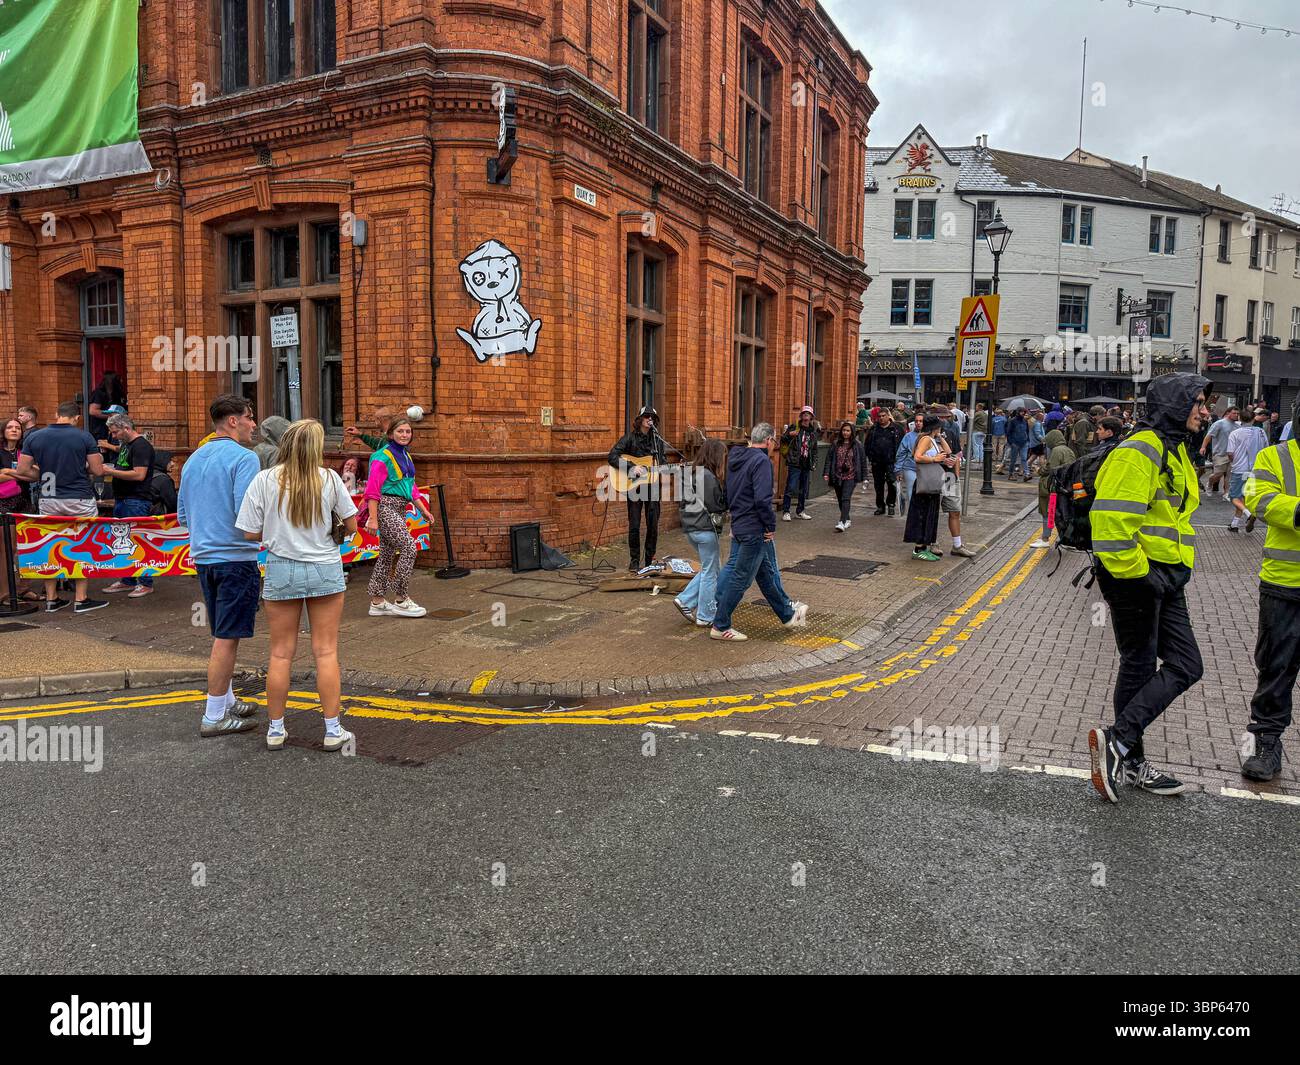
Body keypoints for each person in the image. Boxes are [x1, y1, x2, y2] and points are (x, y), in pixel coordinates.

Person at [1087, 373, 1209, 803]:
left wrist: (1169, 574)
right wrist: (1144, 574)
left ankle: (1119, 744)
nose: (1204, 410)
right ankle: (1128, 756)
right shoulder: (1140, 450)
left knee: (1185, 665)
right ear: (1176, 404)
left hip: (1164, 577)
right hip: (1134, 575)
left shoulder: (1173, 451)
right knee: (1139, 663)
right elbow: (1110, 526)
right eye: (1197, 402)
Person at [236, 419, 358, 752]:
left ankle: (275, 730)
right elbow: (352, 524)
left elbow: (247, 532)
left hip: (281, 568)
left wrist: (276, 533)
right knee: (326, 651)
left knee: (279, 653)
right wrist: (335, 532)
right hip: (325, 569)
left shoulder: (264, 480)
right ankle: (333, 730)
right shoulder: (330, 479)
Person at [178, 394, 263, 737]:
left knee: (220, 633)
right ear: (233, 421)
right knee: (227, 637)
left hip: (205, 558)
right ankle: (214, 715)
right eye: (249, 417)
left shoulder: (193, 459)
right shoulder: (245, 459)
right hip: (236, 559)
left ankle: (226, 701)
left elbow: (184, 515)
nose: (253, 424)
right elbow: (248, 516)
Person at [1240, 397, 1300, 781]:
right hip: (1285, 584)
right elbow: (1256, 497)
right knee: (1276, 669)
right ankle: (1266, 742)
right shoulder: (1275, 456)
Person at [709, 423, 808, 642]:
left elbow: (728, 491)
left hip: (740, 524)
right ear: (769, 440)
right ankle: (720, 624)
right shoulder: (762, 461)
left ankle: (788, 615)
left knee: (762, 574)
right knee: (741, 578)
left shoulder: (735, 458)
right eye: (774, 442)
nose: (774, 446)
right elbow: (763, 499)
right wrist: (770, 527)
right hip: (755, 528)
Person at [11, 401, 108, 614]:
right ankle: (81, 599)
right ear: (76, 418)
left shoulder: (35, 437)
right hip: (79, 497)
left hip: (49, 497)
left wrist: (44, 472)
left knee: (50, 546)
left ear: (56, 415)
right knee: (83, 545)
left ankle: (52, 599)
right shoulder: (84, 437)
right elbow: (98, 470)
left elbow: (22, 470)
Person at [365, 414, 435, 617]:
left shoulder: (405, 455)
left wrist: (423, 509)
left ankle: (377, 602)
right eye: (400, 431)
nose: (405, 435)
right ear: (390, 434)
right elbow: (372, 491)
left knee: (386, 555)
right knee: (409, 547)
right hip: (385, 506)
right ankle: (401, 598)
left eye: (408, 431)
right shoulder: (381, 456)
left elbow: (410, 487)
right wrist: (373, 518)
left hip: (399, 507)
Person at [99, 414, 158, 598]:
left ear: (126, 428)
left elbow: (139, 474)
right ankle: (128, 579)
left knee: (138, 540)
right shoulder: (126, 445)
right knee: (123, 542)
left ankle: (145, 582)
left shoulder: (141, 446)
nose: (113, 435)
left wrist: (111, 471)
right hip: (123, 498)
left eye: (115, 432)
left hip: (137, 499)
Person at [673, 438, 728, 629]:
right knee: (710, 573)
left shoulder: (689, 473)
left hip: (690, 528)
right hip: (705, 529)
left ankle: (685, 601)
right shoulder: (707, 476)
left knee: (710, 568)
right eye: (722, 456)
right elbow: (716, 505)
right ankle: (705, 615)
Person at [608, 406, 667, 570]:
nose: (650, 419)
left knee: (653, 525)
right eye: (646, 416)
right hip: (634, 488)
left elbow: (662, 461)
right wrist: (631, 467)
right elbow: (612, 456)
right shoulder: (629, 439)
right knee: (634, 525)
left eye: (652, 417)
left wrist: (669, 467)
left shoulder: (657, 440)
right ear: (640, 419)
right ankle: (634, 560)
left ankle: (649, 560)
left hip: (653, 488)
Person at [904, 415, 952, 562]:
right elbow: (917, 457)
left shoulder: (932, 439)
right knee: (922, 515)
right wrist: (934, 459)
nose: (941, 428)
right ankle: (918, 549)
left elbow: (948, 451)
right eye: (939, 426)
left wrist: (940, 437)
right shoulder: (925, 439)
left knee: (929, 515)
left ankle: (924, 547)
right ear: (934, 427)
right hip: (925, 482)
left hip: (931, 483)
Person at [1030, 428, 1076, 548]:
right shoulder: (1068, 450)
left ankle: (1045, 538)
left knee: (1047, 512)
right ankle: (1067, 539)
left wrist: (1039, 470)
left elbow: (1051, 468)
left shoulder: (1056, 450)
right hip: (1064, 486)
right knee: (1062, 514)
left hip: (1052, 487)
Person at [1226, 409, 1270, 534]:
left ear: (1240, 418)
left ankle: (1248, 513)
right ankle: (1234, 524)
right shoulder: (1261, 432)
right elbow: (1266, 450)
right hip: (1255, 470)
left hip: (1239, 469)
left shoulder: (1235, 434)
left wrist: (1233, 461)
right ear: (1253, 419)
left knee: (1234, 497)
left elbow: (1230, 452)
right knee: (1246, 497)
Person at [823, 420, 864, 531]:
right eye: (844, 430)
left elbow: (863, 461)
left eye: (848, 430)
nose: (845, 433)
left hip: (851, 476)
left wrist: (864, 478)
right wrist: (826, 473)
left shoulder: (857, 445)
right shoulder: (836, 444)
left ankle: (842, 522)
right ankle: (847, 519)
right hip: (837, 475)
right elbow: (829, 459)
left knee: (846, 498)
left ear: (852, 432)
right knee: (841, 499)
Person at [779, 406, 819, 520]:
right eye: (804, 413)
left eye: (808, 413)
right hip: (795, 462)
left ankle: (800, 511)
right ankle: (786, 512)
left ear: (811, 417)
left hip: (806, 463)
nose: (806, 415)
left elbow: (814, 449)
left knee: (804, 489)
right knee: (790, 487)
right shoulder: (794, 427)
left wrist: (814, 462)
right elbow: (783, 439)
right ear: (801, 416)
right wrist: (789, 434)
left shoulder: (813, 432)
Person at [864, 412, 901, 516]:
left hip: (892, 461)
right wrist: (869, 457)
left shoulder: (896, 428)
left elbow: (902, 444)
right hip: (877, 461)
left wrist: (901, 460)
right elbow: (867, 443)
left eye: (883, 416)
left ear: (888, 416)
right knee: (878, 485)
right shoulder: (874, 429)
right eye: (879, 416)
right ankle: (880, 506)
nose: (881, 418)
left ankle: (891, 504)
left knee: (892, 484)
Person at [1201, 406, 1238, 500]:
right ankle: (1210, 483)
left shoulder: (1238, 425)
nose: (1236, 415)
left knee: (1229, 474)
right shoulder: (1219, 423)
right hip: (1219, 453)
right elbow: (1209, 435)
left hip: (1233, 454)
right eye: (1234, 413)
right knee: (1218, 474)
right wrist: (1203, 447)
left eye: (1237, 414)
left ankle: (1226, 493)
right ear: (1228, 413)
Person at [894, 413, 922, 519]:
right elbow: (901, 454)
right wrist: (898, 470)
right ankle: (913, 518)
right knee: (911, 492)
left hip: (925, 469)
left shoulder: (929, 436)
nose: (918, 423)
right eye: (916, 421)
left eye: (921, 421)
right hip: (910, 467)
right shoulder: (908, 436)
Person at [86, 371, 126, 445]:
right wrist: (111, 415)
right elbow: (93, 411)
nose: (121, 382)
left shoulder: (116, 393)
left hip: (114, 429)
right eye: (118, 380)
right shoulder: (99, 393)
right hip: (101, 430)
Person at [1003, 408, 1030, 479]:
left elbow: (1027, 431)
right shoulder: (1012, 421)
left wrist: (1027, 440)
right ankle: (1011, 474)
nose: (1023, 413)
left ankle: (1026, 474)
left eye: (1024, 412)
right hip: (1015, 443)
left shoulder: (1024, 421)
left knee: (1024, 458)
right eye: (1022, 412)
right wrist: (1011, 442)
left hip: (1024, 442)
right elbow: (1008, 432)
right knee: (1013, 460)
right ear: (1018, 412)